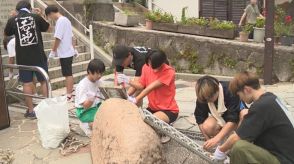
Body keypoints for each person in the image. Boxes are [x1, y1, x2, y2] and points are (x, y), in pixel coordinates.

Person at [213, 71, 294, 164]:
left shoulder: (261, 106)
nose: (240, 98)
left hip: (283, 160)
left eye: (239, 94)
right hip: (285, 155)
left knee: (239, 147)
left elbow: (237, 137)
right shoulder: (271, 98)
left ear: (247, 90)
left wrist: (221, 150)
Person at [4, 1, 50, 119]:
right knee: (43, 80)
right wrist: (41, 15)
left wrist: (12, 19)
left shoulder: (13, 19)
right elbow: (48, 28)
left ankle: (31, 111)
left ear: (18, 10)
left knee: (27, 83)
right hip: (38, 55)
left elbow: (6, 33)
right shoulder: (35, 17)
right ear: (30, 8)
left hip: (23, 57)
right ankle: (47, 108)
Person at [122, 50, 179, 143]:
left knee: (151, 121)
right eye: (149, 64)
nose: (152, 68)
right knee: (136, 121)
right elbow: (141, 85)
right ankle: (161, 126)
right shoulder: (146, 67)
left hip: (168, 110)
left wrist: (135, 99)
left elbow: (150, 88)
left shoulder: (169, 72)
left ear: (162, 63)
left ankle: (165, 130)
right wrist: (128, 81)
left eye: (155, 66)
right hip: (152, 108)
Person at [194, 76, 241, 150]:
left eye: (210, 98)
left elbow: (233, 118)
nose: (208, 101)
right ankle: (225, 141)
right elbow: (199, 118)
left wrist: (216, 139)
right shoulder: (203, 97)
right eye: (205, 100)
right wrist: (208, 140)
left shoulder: (230, 90)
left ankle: (235, 139)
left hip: (237, 119)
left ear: (217, 89)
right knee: (207, 126)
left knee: (243, 114)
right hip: (220, 119)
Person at [45, 5, 77, 101]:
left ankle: (69, 94)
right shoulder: (66, 20)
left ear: (50, 13)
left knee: (67, 74)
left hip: (65, 52)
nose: (50, 18)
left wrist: (53, 51)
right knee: (68, 73)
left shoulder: (60, 21)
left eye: (49, 17)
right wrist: (74, 48)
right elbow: (72, 37)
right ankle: (70, 91)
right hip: (68, 51)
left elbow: (58, 38)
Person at [74, 59, 105, 137]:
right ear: (89, 72)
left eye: (101, 73)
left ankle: (90, 123)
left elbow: (104, 97)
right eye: (97, 73)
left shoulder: (99, 81)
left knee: (108, 120)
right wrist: (91, 99)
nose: (100, 76)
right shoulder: (82, 85)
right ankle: (85, 124)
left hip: (95, 107)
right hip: (84, 111)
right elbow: (85, 106)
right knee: (99, 125)